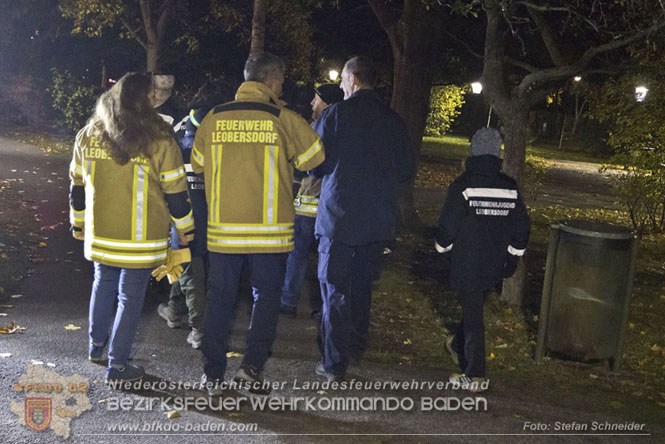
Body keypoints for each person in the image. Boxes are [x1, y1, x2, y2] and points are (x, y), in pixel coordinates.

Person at [191, 52, 325, 394]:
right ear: (274, 81)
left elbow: (199, 165)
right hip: (271, 234)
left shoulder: (214, 117)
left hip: (223, 231)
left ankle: (212, 375)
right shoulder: (283, 118)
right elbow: (315, 159)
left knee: (220, 299)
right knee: (266, 298)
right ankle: (251, 369)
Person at [69, 72, 194, 385]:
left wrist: (78, 223)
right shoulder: (160, 139)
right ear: (145, 100)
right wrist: (185, 229)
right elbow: (176, 191)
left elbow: (78, 186)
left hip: (102, 234)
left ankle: (96, 347)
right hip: (141, 239)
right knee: (130, 298)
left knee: (102, 284)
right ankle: (118, 366)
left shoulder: (89, 133)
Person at [311, 56, 415, 381]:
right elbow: (406, 170)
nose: (341, 84)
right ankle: (356, 349)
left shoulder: (335, 115)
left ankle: (333, 364)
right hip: (376, 222)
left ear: (353, 79)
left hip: (339, 221)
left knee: (335, 290)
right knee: (361, 288)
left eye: (343, 79)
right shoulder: (394, 121)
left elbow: (314, 164)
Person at [435, 127, 530, 392]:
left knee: (474, 315)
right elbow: (521, 229)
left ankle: (475, 375)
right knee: (474, 309)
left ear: (473, 151)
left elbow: (447, 226)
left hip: (466, 262)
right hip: (494, 264)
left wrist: (443, 253)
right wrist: (511, 260)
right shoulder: (510, 188)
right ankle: (456, 345)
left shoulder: (463, 185)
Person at [157, 81, 235, 349]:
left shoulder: (176, 129)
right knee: (191, 268)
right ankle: (175, 309)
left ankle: (198, 328)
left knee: (189, 268)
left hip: (184, 211)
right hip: (216, 212)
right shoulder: (224, 129)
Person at [279, 83, 344, 321]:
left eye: (316, 99)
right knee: (327, 259)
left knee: (297, 254)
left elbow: (304, 166)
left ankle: (287, 301)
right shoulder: (344, 127)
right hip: (333, 206)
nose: (311, 103)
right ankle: (325, 308)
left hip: (309, 204)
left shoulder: (316, 128)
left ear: (326, 103)